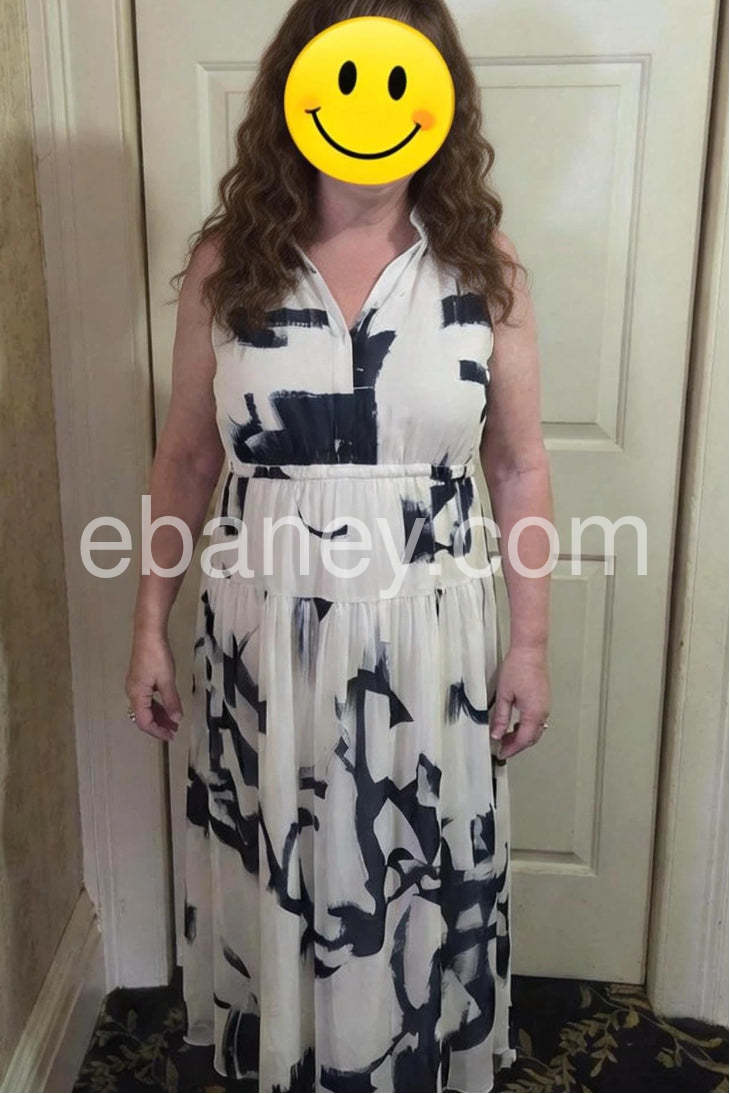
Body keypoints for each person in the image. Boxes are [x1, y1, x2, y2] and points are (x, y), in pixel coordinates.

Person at [125, 1, 553, 1090]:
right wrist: (148, 626)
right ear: (298, 88)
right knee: (284, 858)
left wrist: (530, 645)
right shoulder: (231, 264)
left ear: (438, 95)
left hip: (429, 644)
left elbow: (517, 465)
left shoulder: (481, 266)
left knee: (408, 875)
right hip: (264, 637)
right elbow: (186, 457)